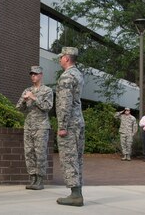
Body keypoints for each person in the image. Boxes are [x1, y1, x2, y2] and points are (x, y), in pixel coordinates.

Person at [16, 66, 53, 190]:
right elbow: (18, 108)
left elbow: (47, 107)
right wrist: (24, 100)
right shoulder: (27, 90)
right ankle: (32, 178)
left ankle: (40, 180)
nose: (33, 76)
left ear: (41, 75)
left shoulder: (47, 90)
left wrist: (34, 98)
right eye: (31, 74)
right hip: (29, 126)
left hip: (41, 126)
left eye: (36, 74)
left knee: (40, 153)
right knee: (29, 153)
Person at [56, 47, 85, 207]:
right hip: (78, 121)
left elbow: (64, 104)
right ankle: (77, 192)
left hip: (70, 124)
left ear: (66, 58)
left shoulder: (66, 77)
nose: (60, 60)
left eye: (61, 57)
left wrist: (62, 126)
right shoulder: (78, 74)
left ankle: (75, 195)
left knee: (69, 157)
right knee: (77, 158)